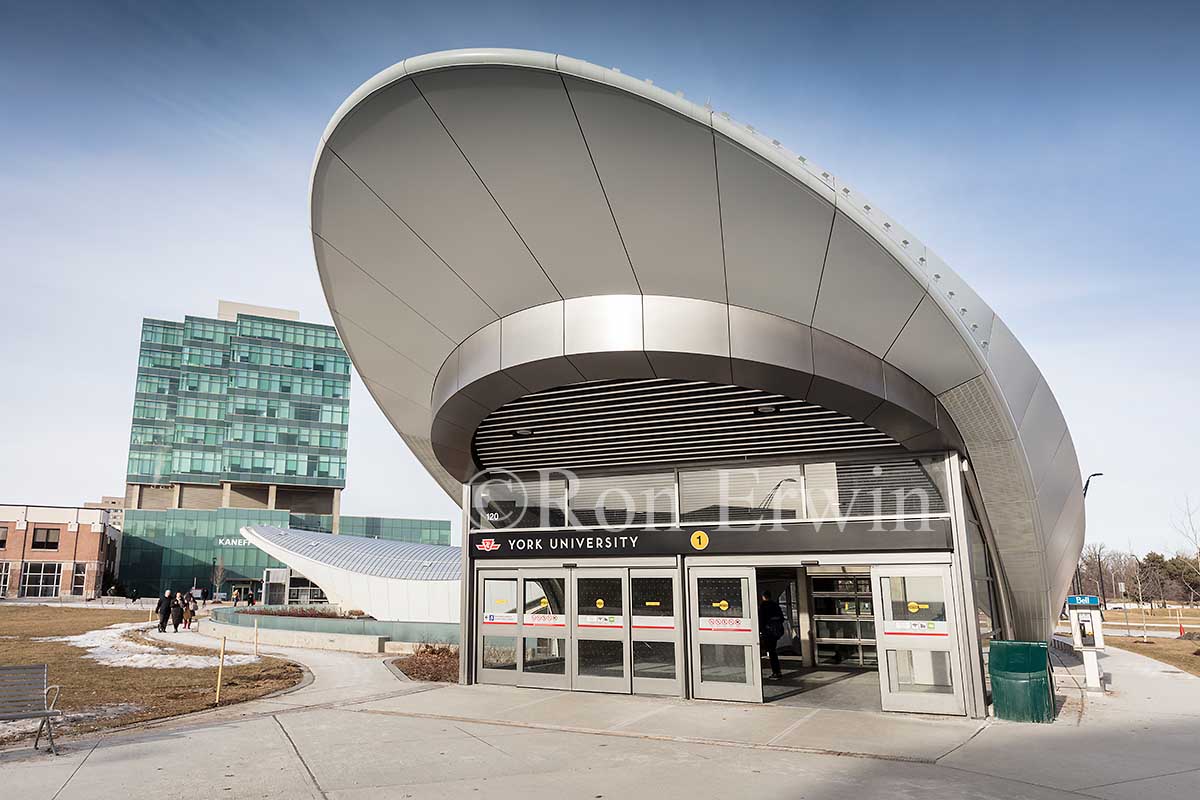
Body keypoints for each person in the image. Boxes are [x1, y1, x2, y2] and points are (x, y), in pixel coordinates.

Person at [759, 589, 784, 680]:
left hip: (767, 632)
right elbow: (782, 619)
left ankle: (775, 672)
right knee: (773, 651)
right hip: (775, 632)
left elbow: (761, 620)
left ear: (763, 597)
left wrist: (761, 630)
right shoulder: (775, 605)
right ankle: (777, 671)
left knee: (769, 651)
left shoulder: (763, 606)